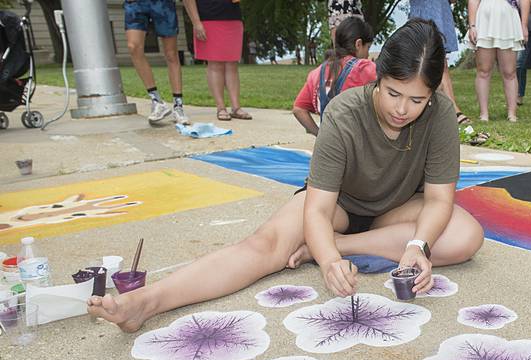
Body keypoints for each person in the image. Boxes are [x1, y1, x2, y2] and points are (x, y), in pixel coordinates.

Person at [87, 19, 485, 333]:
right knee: (267, 245)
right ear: (377, 78)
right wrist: (329, 261)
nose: (402, 109)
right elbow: (318, 209)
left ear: (432, 94)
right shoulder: (345, 113)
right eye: (393, 93)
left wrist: (418, 245)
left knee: (466, 236)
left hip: (398, 210)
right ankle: (147, 303)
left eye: (417, 100)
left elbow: (437, 200)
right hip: (339, 207)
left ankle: (338, 246)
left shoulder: (440, 115)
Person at [292, 16, 376, 136]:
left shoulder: (316, 73)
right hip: (357, 146)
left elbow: (298, 110)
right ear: (358, 44)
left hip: (329, 146)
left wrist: (318, 134)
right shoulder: (364, 68)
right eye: (367, 47)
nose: (367, 54)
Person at [123, 0, 190, 125]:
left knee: (171, 53)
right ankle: (157, 101)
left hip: (162, 3)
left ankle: (178, 106)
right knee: (133, 47)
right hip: (135, 4)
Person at [183, 0, 252, 121]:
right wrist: (196, 22)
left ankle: (236, 107)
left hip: (233, 18)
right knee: (215, 64)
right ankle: (221, 107)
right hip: (208, 19)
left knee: (232, 64)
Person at [410, 0, 471, 124]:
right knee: (432, 62)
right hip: (426, 8)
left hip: (440, 8)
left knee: (440, 62)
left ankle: (443, 107)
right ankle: (450, 109)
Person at [468, 0, 529, 122]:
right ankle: (483, 114)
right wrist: (472, 25)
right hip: (485, 17)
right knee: (483, 70)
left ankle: (512, 113)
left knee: (510, 72)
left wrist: (524, 25)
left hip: (508, 17)